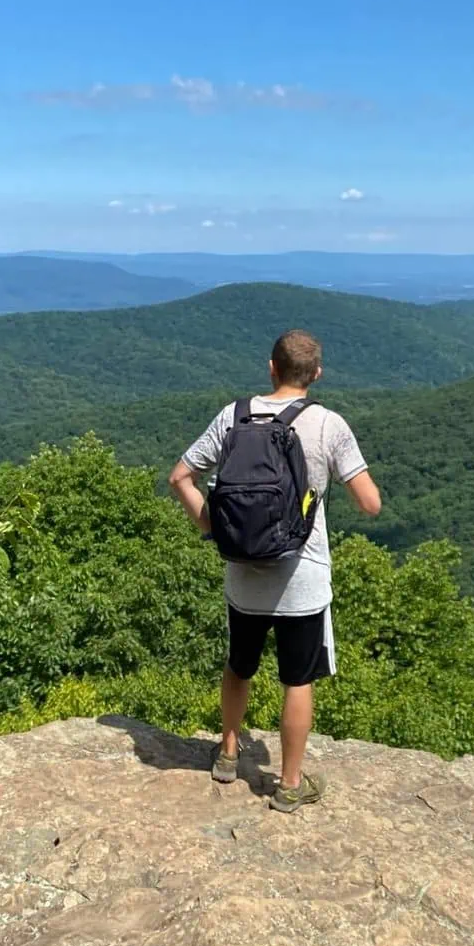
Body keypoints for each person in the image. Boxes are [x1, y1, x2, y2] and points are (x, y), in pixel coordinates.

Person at [169, 329, 381, 812]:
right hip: (301, 581)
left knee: (239, 666)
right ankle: (288, 784)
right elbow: (371, 504)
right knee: (296, 680)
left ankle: (226, 754)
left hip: (244, 575)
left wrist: (213, 526)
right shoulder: (329, 424)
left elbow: (180, 476)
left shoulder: (235, 415)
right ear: (317, 374)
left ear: (271, 367)